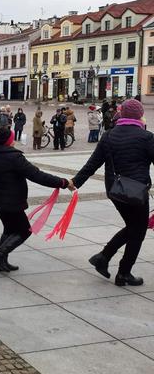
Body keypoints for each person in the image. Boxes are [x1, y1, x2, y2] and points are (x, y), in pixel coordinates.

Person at [0, 128, 70, 272]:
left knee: (9, 229)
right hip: (13, 202)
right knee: (25, 231)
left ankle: (1, 263)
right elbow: (37, 175)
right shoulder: (14, 157)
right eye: (12, 138)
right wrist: (62, 182)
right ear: (8, 141)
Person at [69, 99, 153, 286]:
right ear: (140, 115)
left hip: (115, 190)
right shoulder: (146, 137)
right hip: (137, 193)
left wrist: (75, 182)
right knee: (137, 231)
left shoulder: (108, 136)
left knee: (133, 227)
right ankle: (122, 272)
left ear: (122, 114)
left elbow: (92, 164)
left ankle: (103, 258)